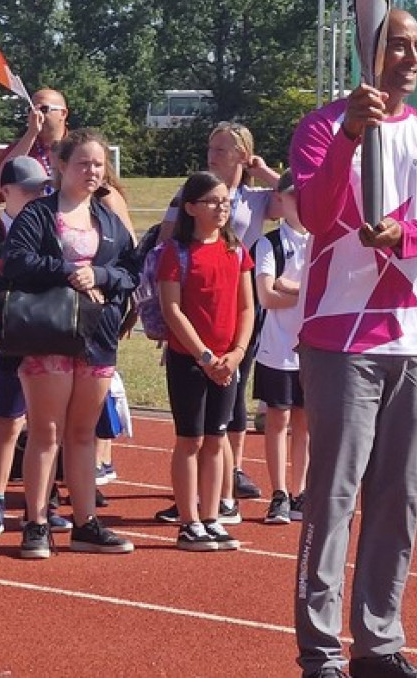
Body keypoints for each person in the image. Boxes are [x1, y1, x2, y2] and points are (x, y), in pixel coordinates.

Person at [290, 9, 417, 678]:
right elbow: (315, 211)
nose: (412, 57)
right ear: (371, 52)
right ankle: (320, 650)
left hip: (414, 337)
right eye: (398, 44)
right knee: (334, 497)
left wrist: (406, 236)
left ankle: (379, 642)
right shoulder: (321, 127)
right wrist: (349, 136)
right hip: (341, 336)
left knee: (398, 499)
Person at [2, 129, 138, 559]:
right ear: (61, 165)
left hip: (97, 338)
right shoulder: (38, 214)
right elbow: (17, 261)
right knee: (46, 433)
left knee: (82, 434)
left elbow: (130, 272)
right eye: (83, 163)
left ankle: (85, 523)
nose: (92, 171)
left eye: (98, 164)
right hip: (48, 334)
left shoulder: (109, 220)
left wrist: (99, 275)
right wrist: (67, 270)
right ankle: (36, 522)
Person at [155, 122, 278, 523]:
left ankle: (224, 490)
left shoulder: (255, 202)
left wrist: (263, 171)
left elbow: (303, 205)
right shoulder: (188, 201)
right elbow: (168, 254)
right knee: (194, 434)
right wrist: (197, 349)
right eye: (211, 147)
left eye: (223, 149)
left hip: (234, 324)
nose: (214, 155)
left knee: (225, 416)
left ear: (243, 154)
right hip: (195, 330)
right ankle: (194, 507)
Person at [158, 171, 254, 552]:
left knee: (217, 439)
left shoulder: (236, 250)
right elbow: (172, 308)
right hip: (190, 361)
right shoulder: (176, 252)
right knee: (190, 439)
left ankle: (211, 516)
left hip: (228, 363)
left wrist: (236, 354)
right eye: (213, 202)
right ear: (191, 208)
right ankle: (189, 521)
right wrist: (205, 355)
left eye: (225, 202)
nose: (221, 208)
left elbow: (247, 307)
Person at [0, 156, 51, 539]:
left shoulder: (51, 228)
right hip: (12, 339)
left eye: (42, 188)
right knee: (8, 422)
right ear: (6, 192)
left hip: (49, 339)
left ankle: (43, 504)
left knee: (46, 425)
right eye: (30, 189)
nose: (39, 195)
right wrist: (21, 310)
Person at [252, 170, 310, 524]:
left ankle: (300, 491)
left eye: (304, 196)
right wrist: (301, 293)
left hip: (313, 348)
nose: (298, 203)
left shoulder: (323, 241)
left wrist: (292, 288)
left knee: (305, 424)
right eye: (291, 196)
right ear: (280, 199)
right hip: (277, 348)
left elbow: (329, 294)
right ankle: (278, 494)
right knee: (278, 420)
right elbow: (267, 295)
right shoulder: (268, 244)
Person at [0, 88, 69, 181]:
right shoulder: (19, 148)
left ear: (63, 114)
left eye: (44, 109)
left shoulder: (77, 147)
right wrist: (31, 133)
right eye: (31, 110)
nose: (36, 114)